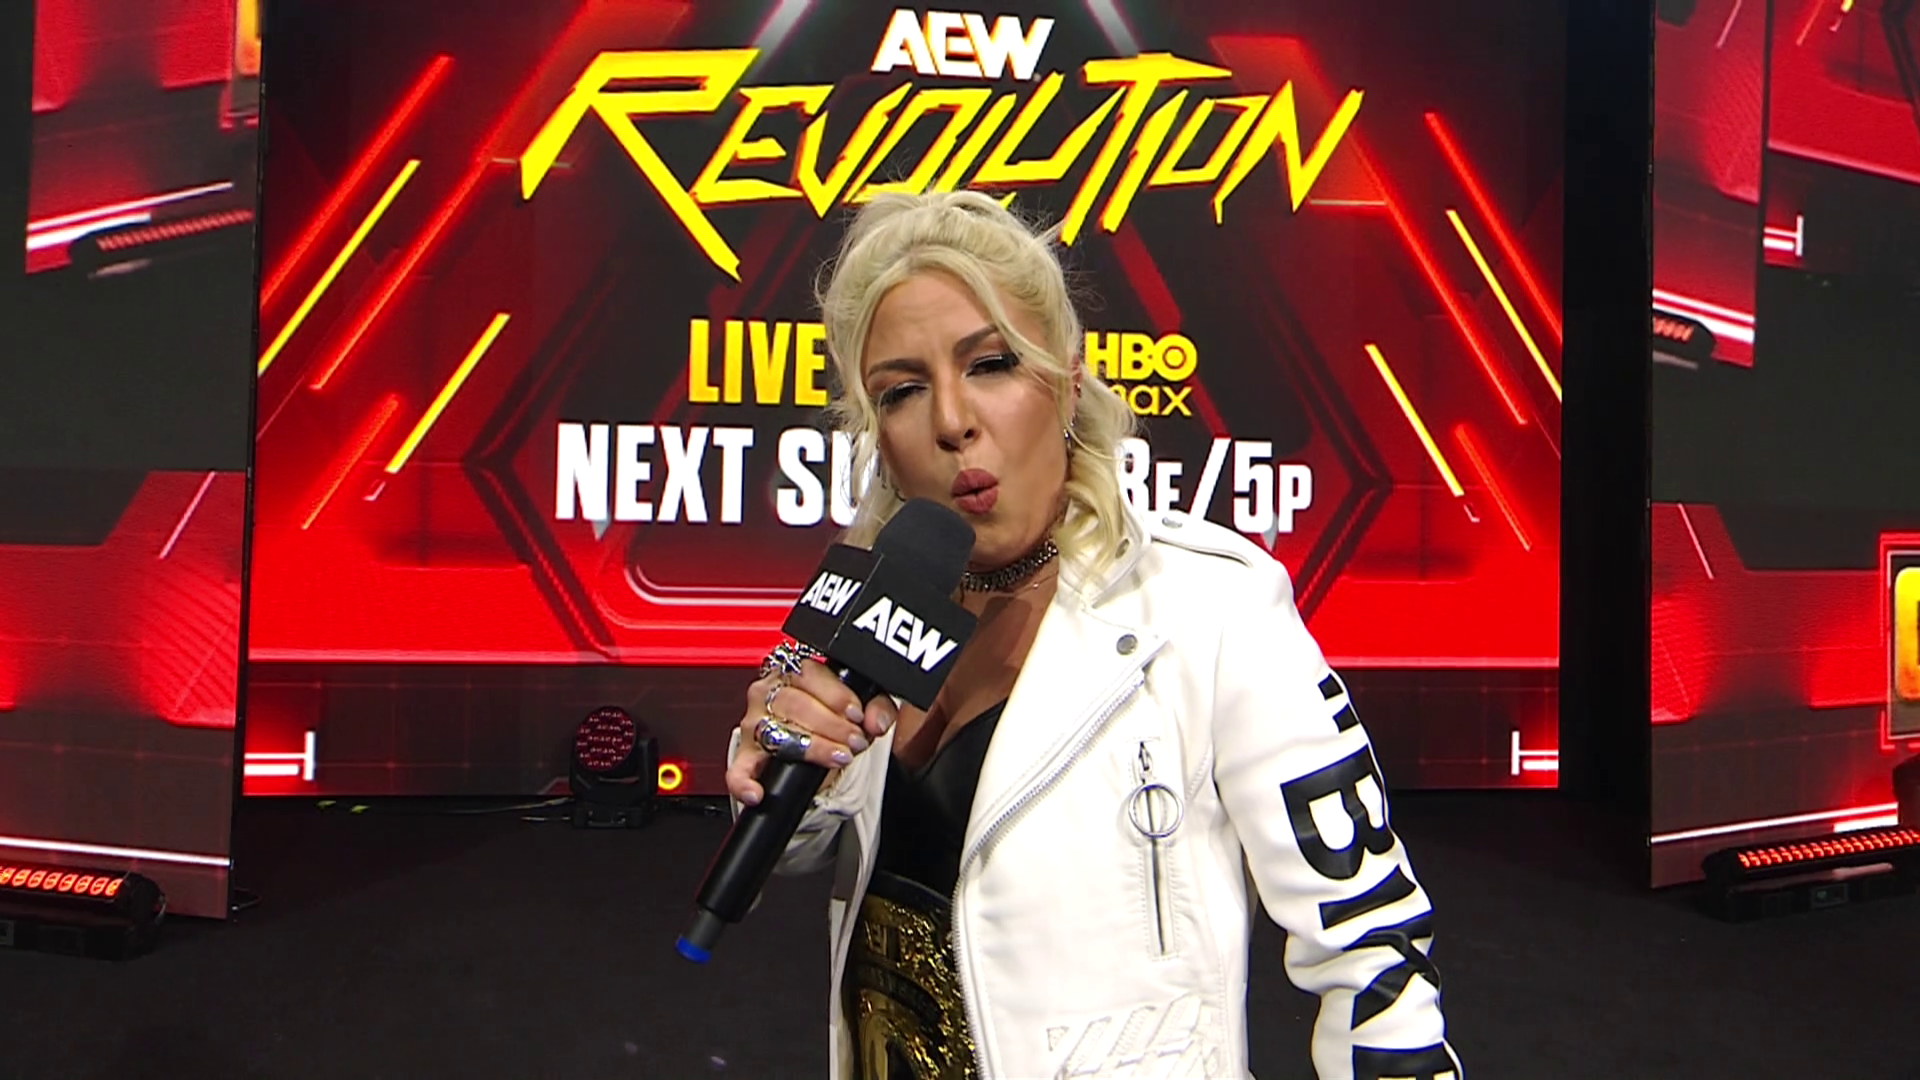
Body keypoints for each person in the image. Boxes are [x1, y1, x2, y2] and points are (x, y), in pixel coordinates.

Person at [726, 190, 1460, 1080]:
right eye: (903, 390)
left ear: (1068, 381)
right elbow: (798, 848)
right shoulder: (876, 599)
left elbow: (1372, 948)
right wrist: (775, 753)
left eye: (991, 363)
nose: (952, 420)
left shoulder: (1210, 607)